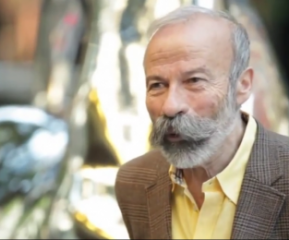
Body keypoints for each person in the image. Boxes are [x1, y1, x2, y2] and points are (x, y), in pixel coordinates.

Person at [115, 5, 289, 240]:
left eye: (194, 81)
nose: (170, 106)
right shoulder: (135, 181)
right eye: (157, 85)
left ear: (243, 85)